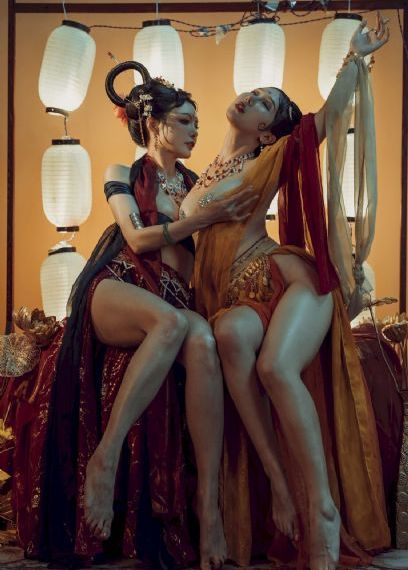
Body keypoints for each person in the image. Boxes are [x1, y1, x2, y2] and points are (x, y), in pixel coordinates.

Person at [14, 61, 254, 570]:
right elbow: (138, 238)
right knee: (171, 323)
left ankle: (208, 505)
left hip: (172, 298)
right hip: (117, 285)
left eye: (197, 122)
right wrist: (203, 218)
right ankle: (105, 457)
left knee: (203, 341)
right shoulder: (122, 174)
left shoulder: (195, 184)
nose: (194, 130)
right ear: (155, 123)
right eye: (185, 121)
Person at [180, 14, 390, 570]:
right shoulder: (207, 171)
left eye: (266, 103)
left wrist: (354, 58)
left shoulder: (269, 158)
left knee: (275, 367)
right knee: (228, 334)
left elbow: (324, 120)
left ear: (268, 133)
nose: (252, 96)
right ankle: (277, 482)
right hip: (235, 299)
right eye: (257, 93)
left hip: (286, 278)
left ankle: (322, 509)